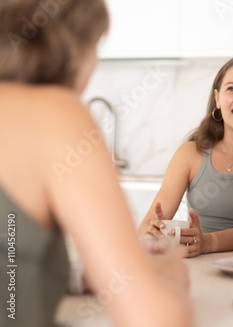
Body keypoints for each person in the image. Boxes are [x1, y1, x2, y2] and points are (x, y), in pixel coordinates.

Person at [0, 1, 191, 327]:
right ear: (71, 47)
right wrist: (166, 283)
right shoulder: (55, 112)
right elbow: (153, 318)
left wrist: (85, 276)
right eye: (95, 43)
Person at [138, 56, 233, 257]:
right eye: (232, 89)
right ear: (217, 99)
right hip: (196, 264)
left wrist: (207, 243)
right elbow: (147, 224)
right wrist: (153, 229)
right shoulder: (189, 153)